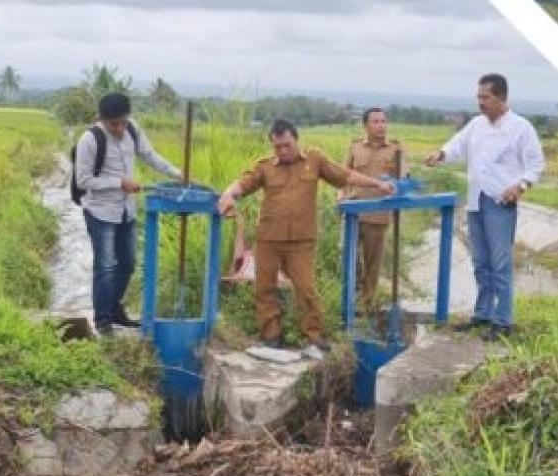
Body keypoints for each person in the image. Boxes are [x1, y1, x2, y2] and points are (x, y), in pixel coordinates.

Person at [218, 119, 395, 351]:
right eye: (277, 147)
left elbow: (345, 176)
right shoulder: (265, 167)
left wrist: (377, 184)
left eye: (287, 145)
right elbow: (242, 184)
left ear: (296, 140)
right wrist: (228, 195)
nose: (282, 151)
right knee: (264, 289)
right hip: (269, 239)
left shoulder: (315, 160)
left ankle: (313, 335)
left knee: (306, 289)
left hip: (301, 241)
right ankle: (271, 335)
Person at [423, 73, 545, 341]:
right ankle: (482, 315)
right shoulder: (476, 125)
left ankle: (503, 322)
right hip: (476, 201)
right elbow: (457, 146)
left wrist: (521, 185)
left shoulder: (521, 128)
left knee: (500, 264)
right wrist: (441, 154)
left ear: (501, 97)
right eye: (478, 97)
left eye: (485, 97)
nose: (480, 102)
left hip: (500, 203)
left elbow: (536, 165)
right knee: (480, 263)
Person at [75, 92, 182, 336]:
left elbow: (150, 155)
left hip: (126, 210)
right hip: (100, 211)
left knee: (128, 263)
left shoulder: (132, 129)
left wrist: (177, 174)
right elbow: (83, 180)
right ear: (101, 119)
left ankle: (114, 309)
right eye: (114, 124)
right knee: (104, 267)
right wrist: (118, 182)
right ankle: (103, 321)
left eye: (123, 121)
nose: (120, 128)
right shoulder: (90, 140)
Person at [339, 108, 404, 316]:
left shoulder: (395, 150)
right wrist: (340, 194)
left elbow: (403, 175)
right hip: (353, 212)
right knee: (348, 256)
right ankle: (350, 298)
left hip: (378, 214)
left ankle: (365, 306)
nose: (381, 125)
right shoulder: (355, 147)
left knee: (372, 263)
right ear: (366, 125)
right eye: (375, 122)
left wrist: (399, 185)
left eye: (384, 121)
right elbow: (342, 175)